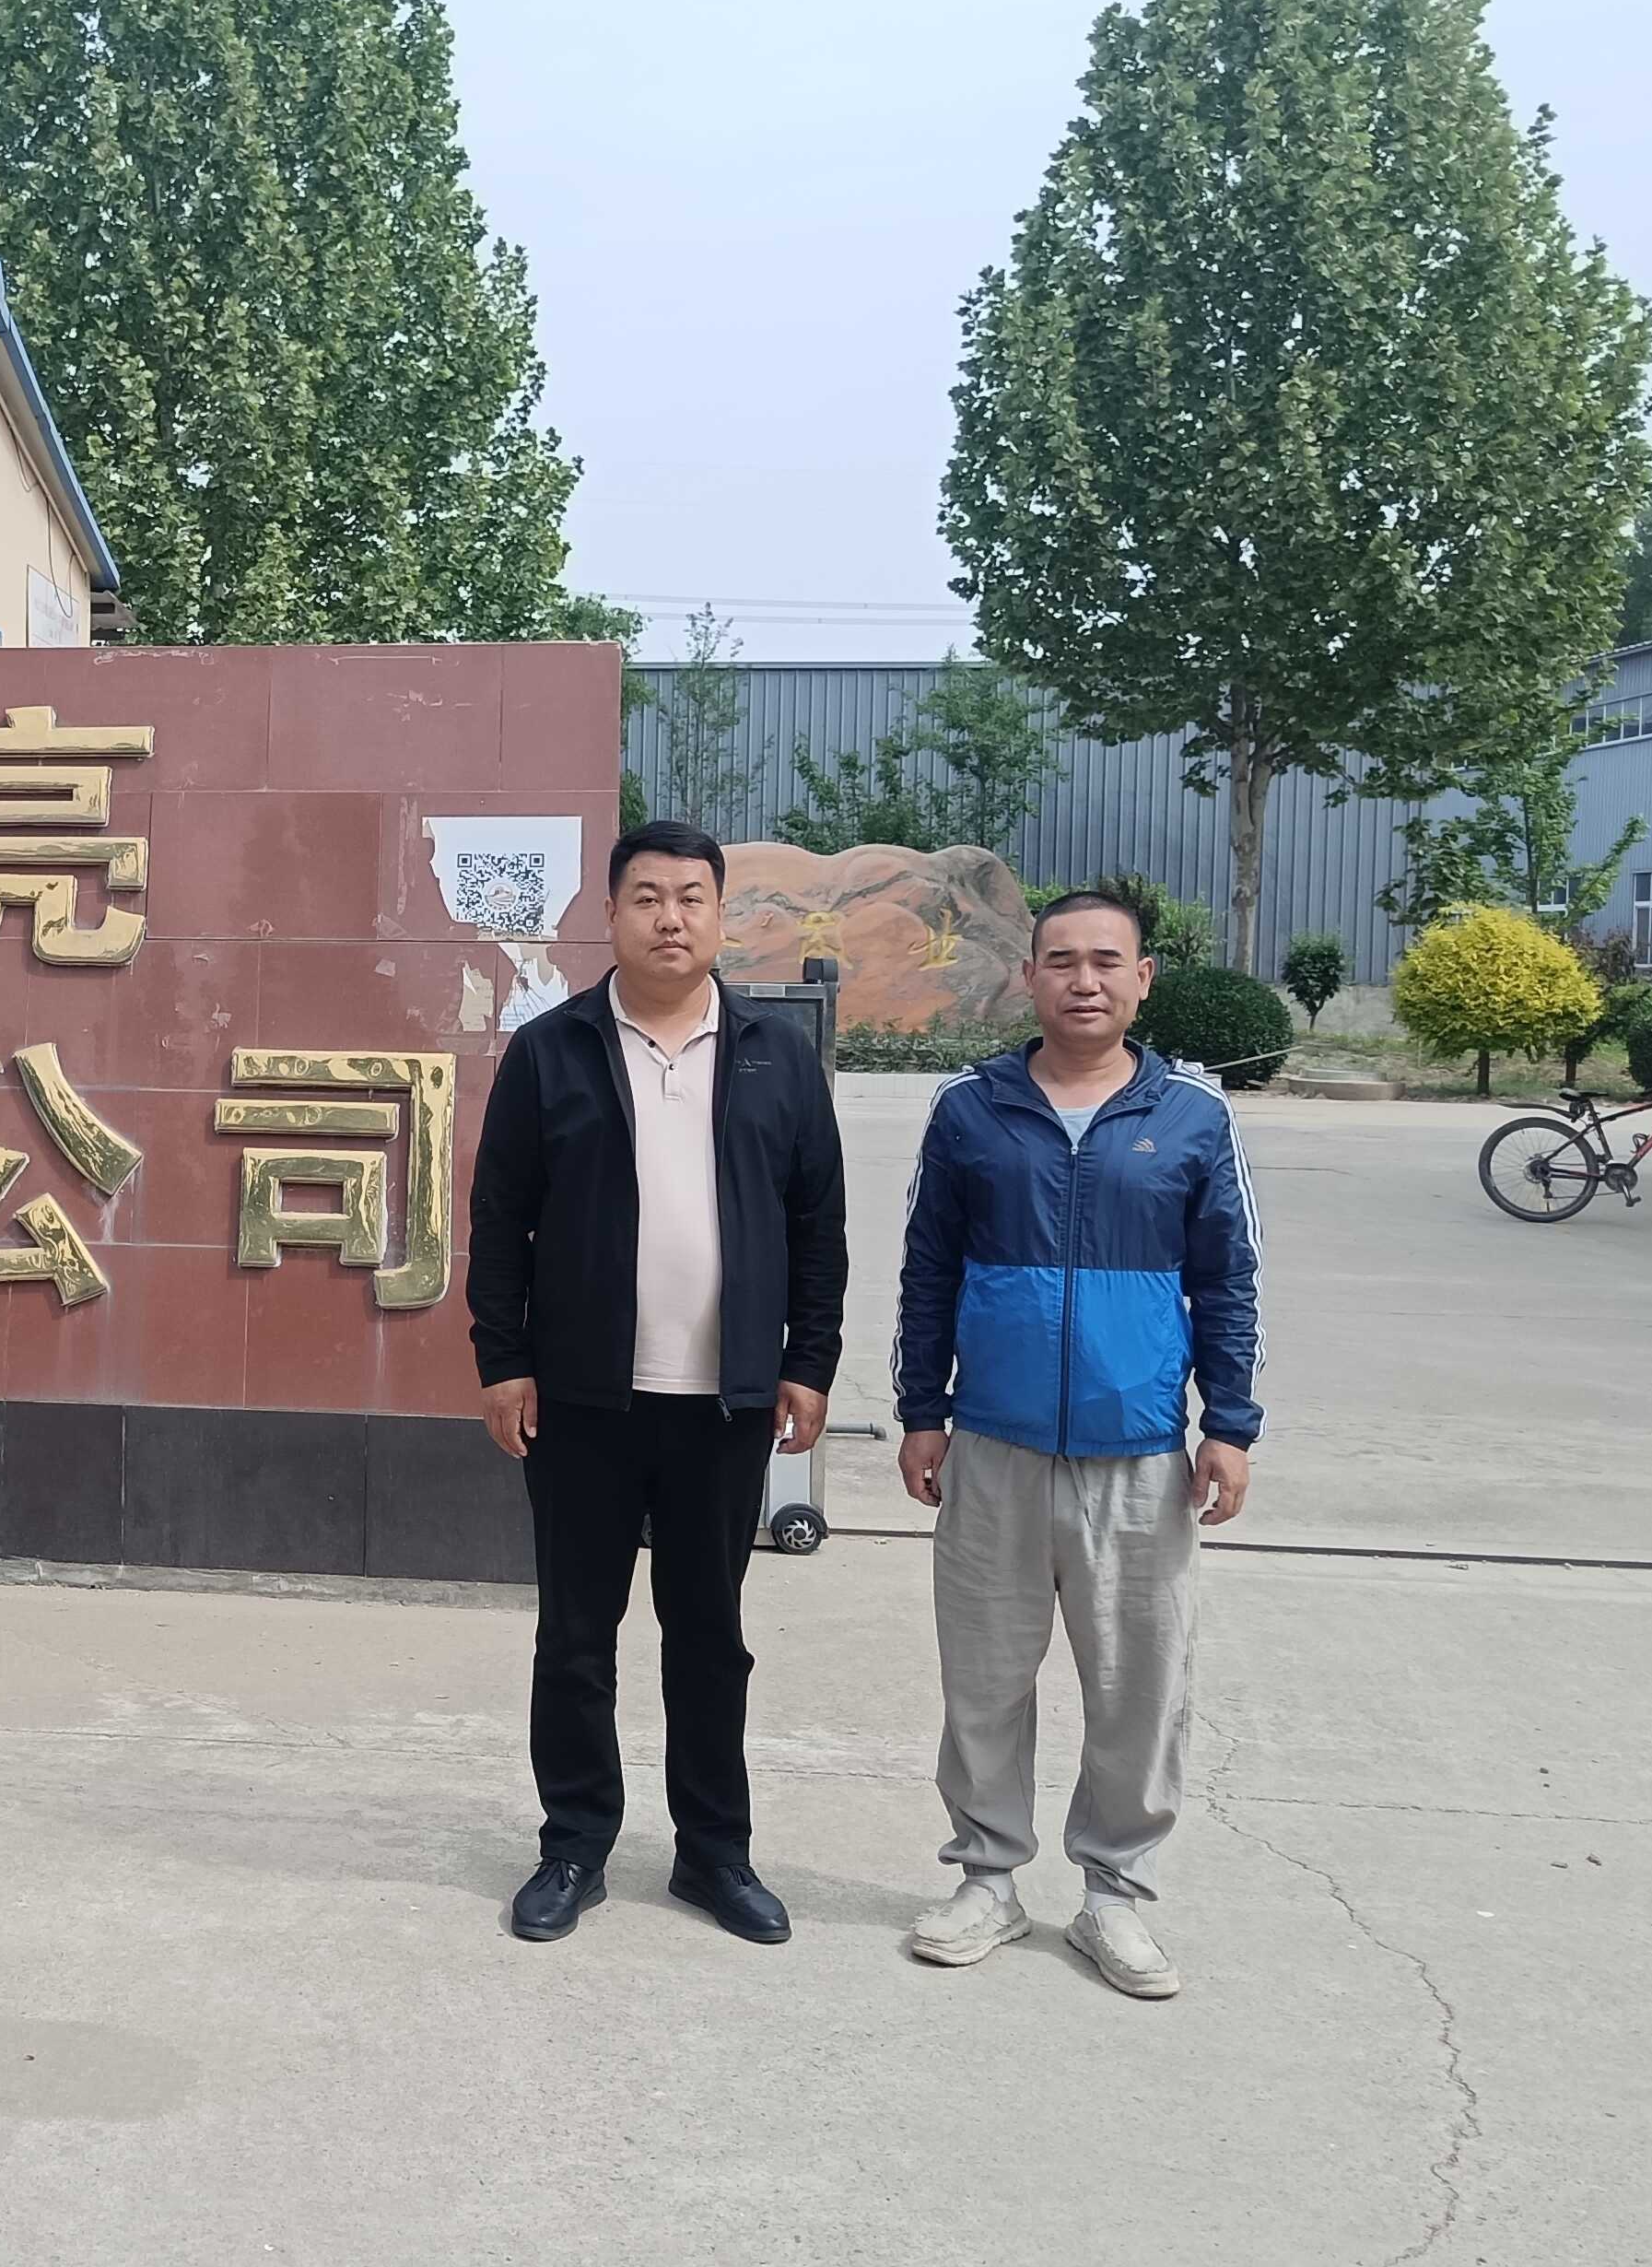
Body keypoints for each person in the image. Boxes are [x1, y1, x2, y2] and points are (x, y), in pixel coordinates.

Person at [467, 821, 849, 1946]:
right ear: (610, 915)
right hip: (581, 1398)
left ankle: (712, 1852)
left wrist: (807, 1363)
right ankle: (573, 1845)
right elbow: (500, 1218)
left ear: (722, 916)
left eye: (690, 897)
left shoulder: (776, 1056)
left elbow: (817, 1224)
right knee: (575, 1638)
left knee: (708, 1636)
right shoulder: (552, 1051)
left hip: (724, 1403)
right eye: (646, 897)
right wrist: (504, 1360)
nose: (669, 918)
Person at [890, 888, 1264, 1999]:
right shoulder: (970, 1111)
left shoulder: (1190, 1117)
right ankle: (987, 1880)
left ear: (1143, 979)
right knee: (984, 1677)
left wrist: (1229, 1426)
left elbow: (1228, 1281)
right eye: (1060, 960)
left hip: (1137, 1451)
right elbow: (927, 1270)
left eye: (1106, 961)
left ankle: (1115, 1895)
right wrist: (922, 1409)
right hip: (993, 1443)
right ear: (1029, 977)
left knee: (1136, 1684)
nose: (1083, 981)